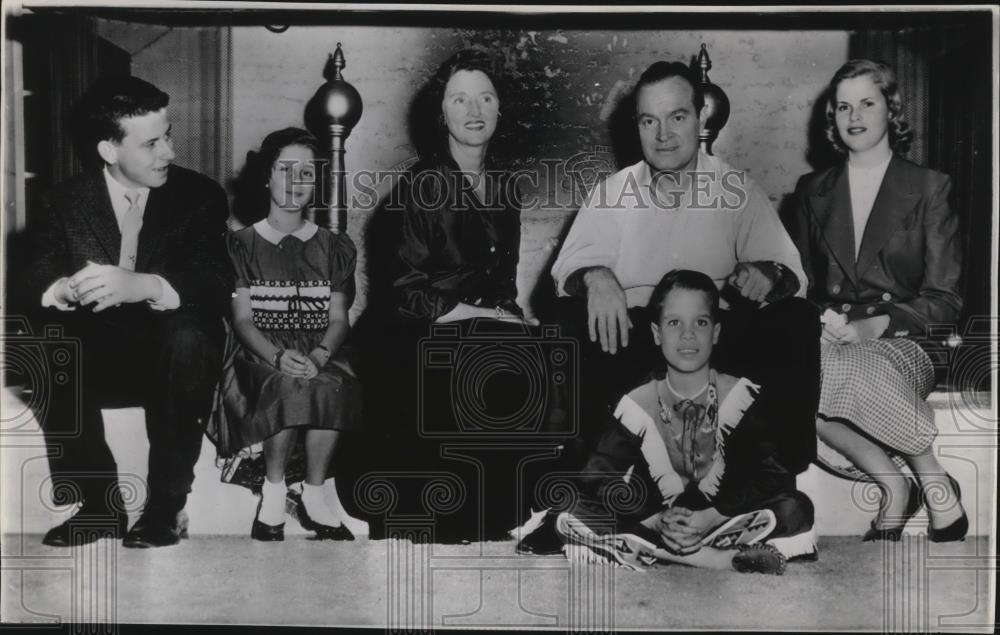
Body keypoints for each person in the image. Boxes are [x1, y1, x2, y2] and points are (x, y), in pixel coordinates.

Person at [538, 61, 820, 548]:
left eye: (677, 117)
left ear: (700, 119)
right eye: (649, 120)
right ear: (637, 127)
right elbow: (568, 270)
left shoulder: (735, 189)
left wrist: (765, 276)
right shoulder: (614, 191)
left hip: (716, 343)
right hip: (637, 343)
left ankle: (768, 490)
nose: (663, 134)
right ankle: (594, 498)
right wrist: (596, 277)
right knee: (567, 318)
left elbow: (789, 270)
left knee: (795, 318)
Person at [355, 49, 566, 542]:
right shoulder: (418, 188)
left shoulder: (505, 190)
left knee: (541, 348)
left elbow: (502, 286)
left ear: (499, 110)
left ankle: (519, 509)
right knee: (484, 350)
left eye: (485, 98)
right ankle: (447, 515)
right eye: (459, 99)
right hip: (408, 333)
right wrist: (487, 318)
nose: (474, 110)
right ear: (441, 113)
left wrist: (513, 319)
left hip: (475, 327)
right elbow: (406, 295)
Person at [26, 76, 231, 548]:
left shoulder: (198, 195)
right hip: (105, 355)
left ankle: (166, 506)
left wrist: (145, 285)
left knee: (188, 334)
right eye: (153, 143)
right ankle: (98, 505)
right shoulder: (62, 202)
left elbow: (217, 285)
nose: (171, 152)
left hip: (179, 359)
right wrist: (65, 290)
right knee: (42, 344)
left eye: (169, 135)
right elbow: (32, 281)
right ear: (109, 150)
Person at [790, 59, 967, 542]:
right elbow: (798, 288)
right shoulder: (812, 192)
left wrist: (878, 325)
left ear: (891, 109)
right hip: (834, 337)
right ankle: (897, 484)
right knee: (795, 374)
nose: (854, 116)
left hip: (907, 341)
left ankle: (925, 473)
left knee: (843, 366)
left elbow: (946, 299)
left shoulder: (931, 187)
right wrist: (820, 318)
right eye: (843, 106)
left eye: (867, 103)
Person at [554, 270, 817, 574]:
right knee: (569, 508)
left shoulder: (739, 396)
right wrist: (655, 519)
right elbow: (598, 477)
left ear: (716, 333)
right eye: (674, 323)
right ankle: (714, 558)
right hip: (656, 518)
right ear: (656, 333)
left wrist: (712, 516)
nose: (688, 334)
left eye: (701, 323)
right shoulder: (637, 403)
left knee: (796, 507)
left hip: (719, 514)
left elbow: (771, 473)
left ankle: (658, 547)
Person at [216, 128, 363, 541]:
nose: (296, 182)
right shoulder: (240, 244)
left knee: (334, 383)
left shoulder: (334, 247)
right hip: (258, 352)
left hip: (319, 348)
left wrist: (319, 355)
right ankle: (274, 490)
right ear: (266, 176)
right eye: (285, 170)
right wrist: (278, 357)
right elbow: (243, 320)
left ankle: (315, 493)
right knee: (286, 383)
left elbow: (339, 318)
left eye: (307, 173)